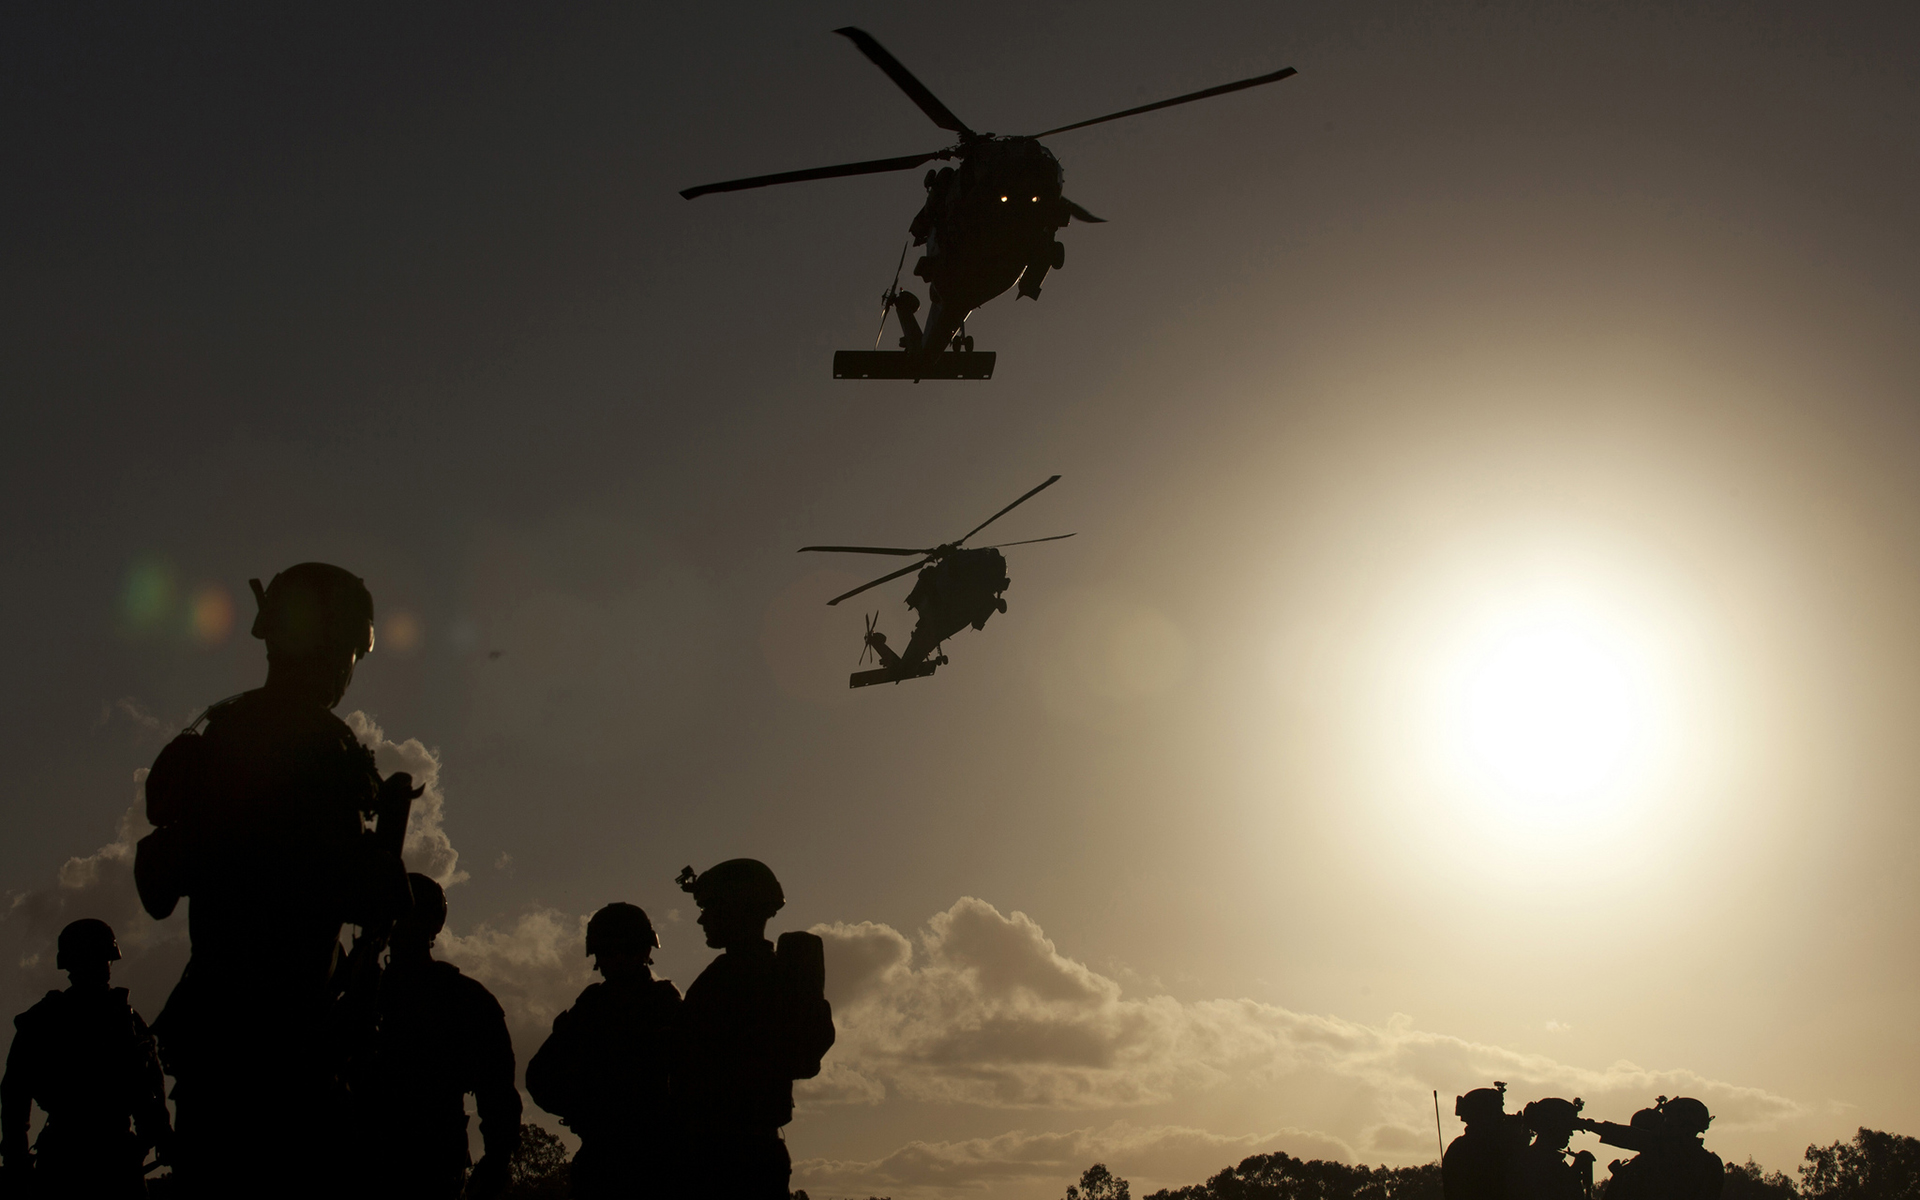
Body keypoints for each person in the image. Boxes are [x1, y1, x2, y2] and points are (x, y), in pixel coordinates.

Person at [134, 562, 418, 1200]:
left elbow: (162, 882)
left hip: (214, 1041)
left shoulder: (218, 733)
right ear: (330, 646)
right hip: (289, 1044)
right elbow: (354, 887)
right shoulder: (321, 743)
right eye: (349, 650)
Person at [346, 874, 520, 1200]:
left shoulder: (463, 999)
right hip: (370, 1156)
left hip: (427, 1164)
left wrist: (497, 1160)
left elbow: (496, 1092)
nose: (401, 929)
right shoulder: (365, 991)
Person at [673, 860, 835, 1200]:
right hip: (744, 1155)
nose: (702, 919)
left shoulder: (728, 982)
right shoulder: (753, 976)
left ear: (736, 908)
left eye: (710, 907)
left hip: (724, 1160)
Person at [1, 919, 171, 1199]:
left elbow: (149, 1083)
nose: (101, 968)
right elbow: (14, 1096)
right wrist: (15, 1158)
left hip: (107, 1154)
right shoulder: (46, 1021)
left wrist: (158, 1134)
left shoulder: (124, 1020)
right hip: (75, 1155)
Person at [526, 903, 681, 1198]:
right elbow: (539, 1077)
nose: (619, 958)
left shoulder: (663, 1004)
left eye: (627, 949)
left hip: (655, 1158)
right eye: (611, 951)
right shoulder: (591, 1007)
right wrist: (588, 1109)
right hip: (607, 1156)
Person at [1444, 1084, 1524, 1200]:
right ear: (1484, 1115)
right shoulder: (1479, 1148)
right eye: (1497, 1111)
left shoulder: (1459, 1146)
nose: (1502, 1115)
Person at [1511, 1097, 1593, 1200]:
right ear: (1553, 1126)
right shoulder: (1537, 1162)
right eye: (1567, 1127)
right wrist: (1574, 1174)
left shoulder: (1528, 1158)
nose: (1570, 1133)